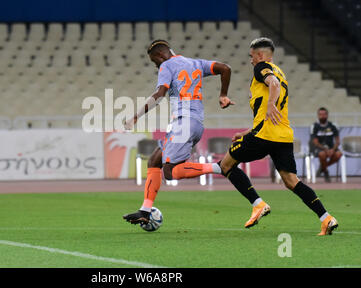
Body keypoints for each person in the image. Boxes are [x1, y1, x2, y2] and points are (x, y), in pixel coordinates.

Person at [217, 37, 337, 236]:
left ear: (261, 55)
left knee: (225, 165)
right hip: (282, 136)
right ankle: (326, 218)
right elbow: (268, 109)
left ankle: (258, 204)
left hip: (265, 136)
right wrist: (246, 132)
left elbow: (272, 85)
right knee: (291, 181)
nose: (251, 61)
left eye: (252, 56)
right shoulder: (282, 73)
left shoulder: (262, 68)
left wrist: (271, 103)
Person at [122, 39, 233, 225]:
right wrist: (223, 95)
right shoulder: (196, 63)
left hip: (184, 122)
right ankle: (145, 210)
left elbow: (159, 94)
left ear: (159, 55)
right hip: (194, 123)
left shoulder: (166, 66)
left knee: (170, 172)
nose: (156, 66)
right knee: (155, 161)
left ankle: (218, 167)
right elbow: (225, 68)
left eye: (154, 62)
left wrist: (135, 116)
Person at [311, 107, 342, 182]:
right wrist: (325, 149)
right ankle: (325, 172)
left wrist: (333, 149)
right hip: (319, 148)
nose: (322, 116)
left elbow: (337, 141)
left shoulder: (333, 125)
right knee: (322, 154)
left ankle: (322, 168)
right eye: (320, 114)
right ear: (318, 115)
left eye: (324, 114)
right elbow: (315, 142)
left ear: (327, 115)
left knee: (339, 154)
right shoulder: (314, 126)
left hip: (332, 148)